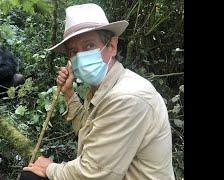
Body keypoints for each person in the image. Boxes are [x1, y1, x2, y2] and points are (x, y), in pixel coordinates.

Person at [23, 3, 175, 180]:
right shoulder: (102, 89)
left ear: (112, 46)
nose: (80, 56)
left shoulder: (127, 97)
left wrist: (50, 169)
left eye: (89, 46)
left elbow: (94, 174)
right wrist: (68, 93)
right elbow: (87, 129)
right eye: (73, 51)